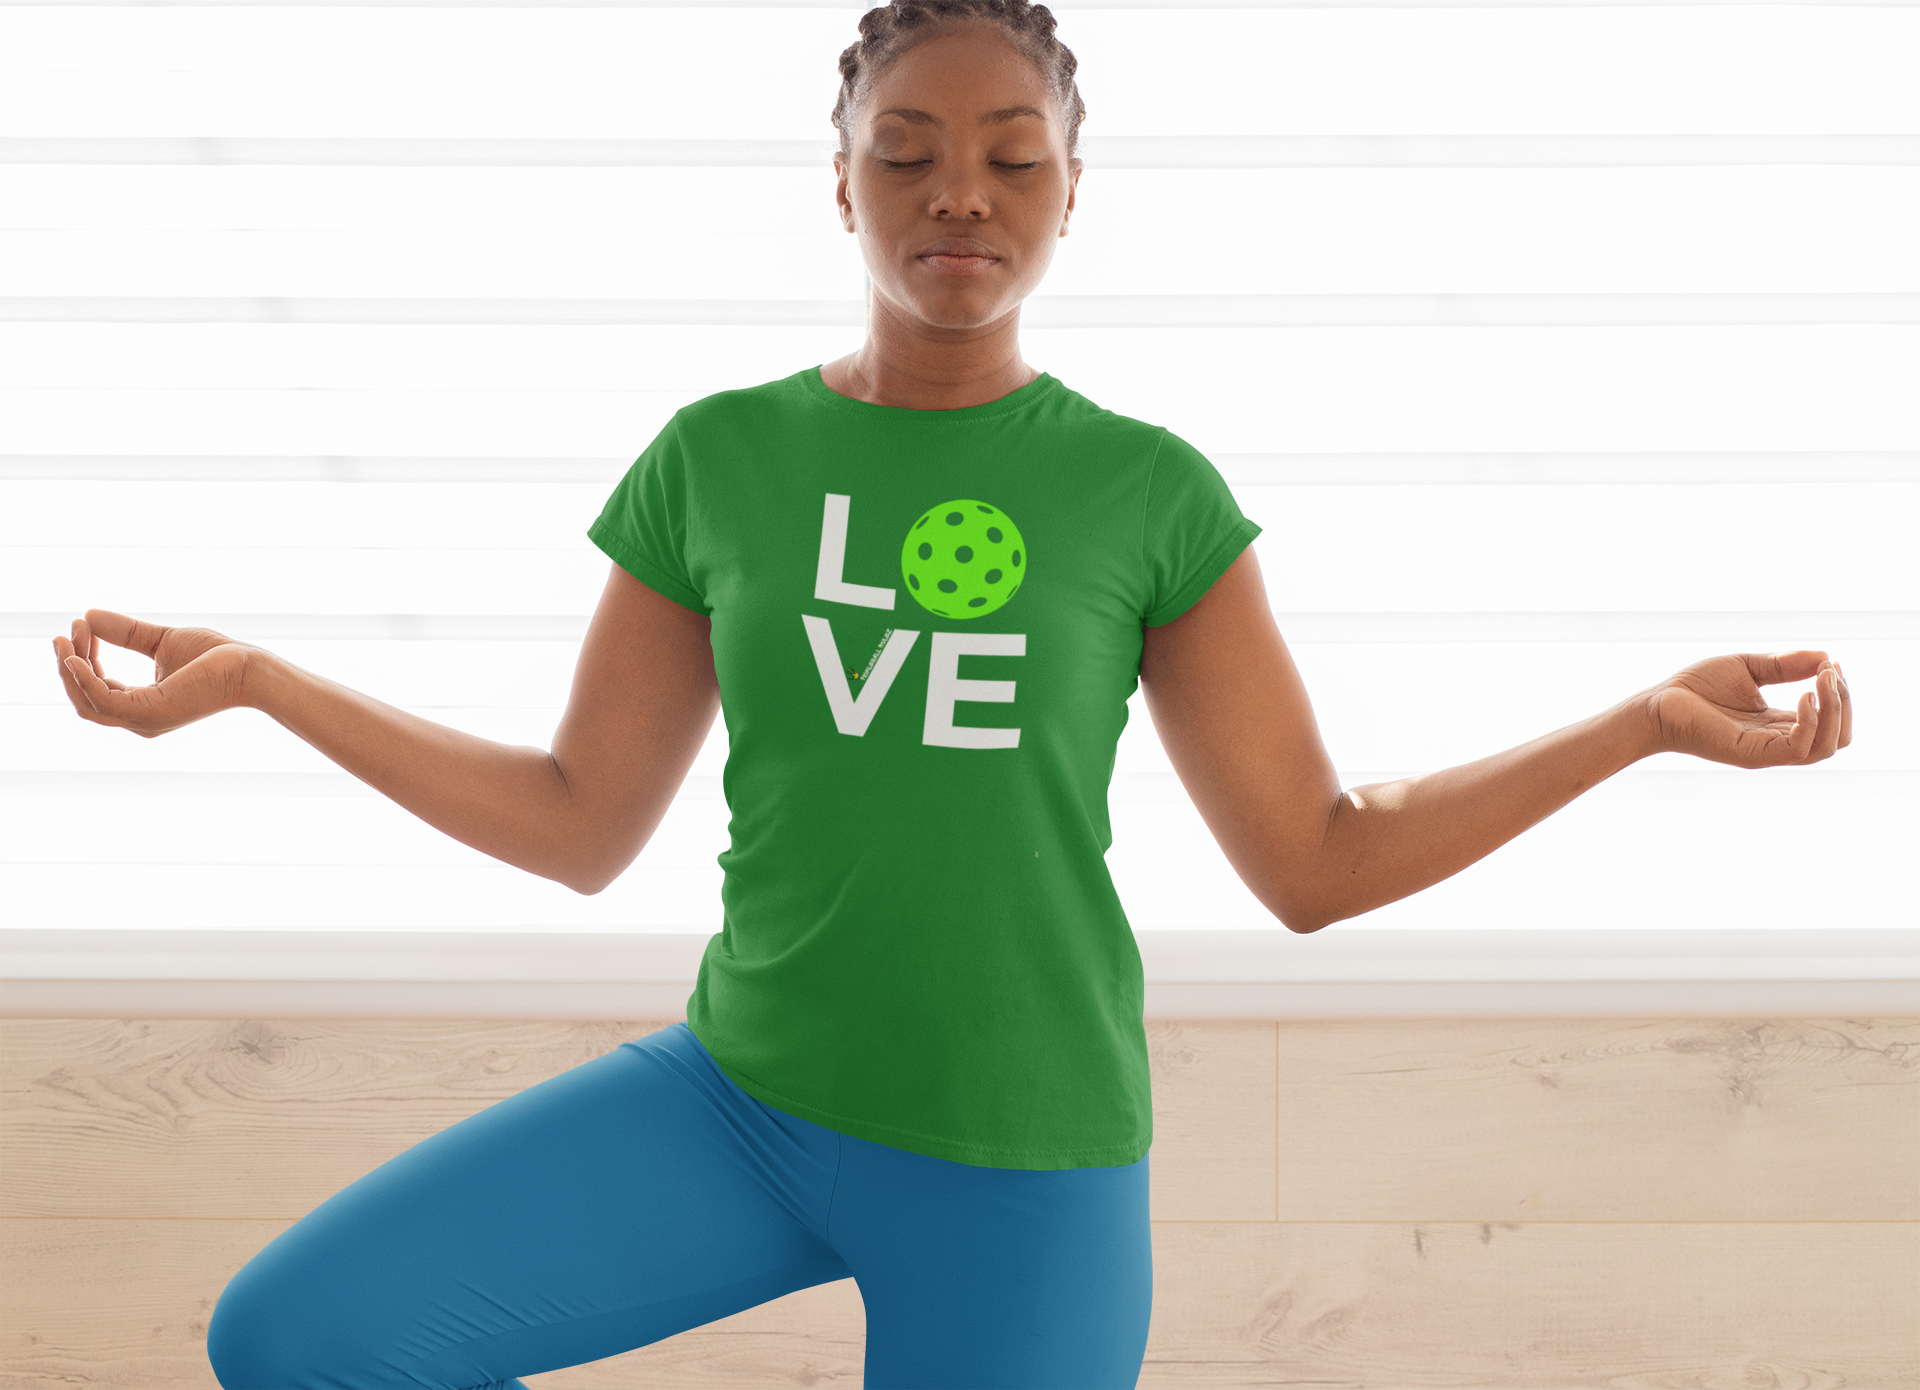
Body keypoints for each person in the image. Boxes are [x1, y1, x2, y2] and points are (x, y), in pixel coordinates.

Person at [51, 2, 1853, 1387]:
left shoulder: (1147, 492)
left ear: (1074, 188)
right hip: (740, 1102)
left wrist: (1642, 726)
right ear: (840, 181)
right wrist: (269, 685)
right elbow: (577, 820)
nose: (958, 194)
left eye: (1011, 153)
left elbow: (1321, 858)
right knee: (300, 1335)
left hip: (1027, 1158)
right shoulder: (718, 460)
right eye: (905, 152)